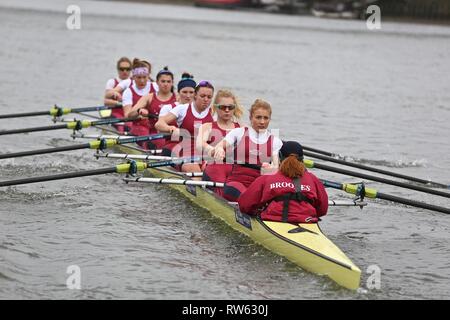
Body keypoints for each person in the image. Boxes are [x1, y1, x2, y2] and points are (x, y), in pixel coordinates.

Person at [238, 141, 328, 224]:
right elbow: (322, 210)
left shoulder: (266, 178)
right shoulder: (313, 179)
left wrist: (256, 212)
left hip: (272, 220)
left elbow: (244, 206)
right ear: (302, 160)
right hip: (307, 221)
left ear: (280, 157)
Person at [212, 99, 283, 201]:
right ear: (250, 117)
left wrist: (272, 169)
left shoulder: (275, 141)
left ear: (269, 119)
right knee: (249, 198)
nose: (262, 122)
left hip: (258, 187)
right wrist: (219, 149)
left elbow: (276, 166)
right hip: (236, 183)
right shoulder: (238, 133)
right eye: (258, 117)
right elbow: (219, 146)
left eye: (266, 118)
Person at [155, 80, 215, 173]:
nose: (206, 99)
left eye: (209, 97)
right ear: (195, 95)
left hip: (206, 153)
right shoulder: (182, 109)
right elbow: (159, 124)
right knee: (197, 174)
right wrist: (171, 128)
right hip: (186, 152)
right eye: (202, 96)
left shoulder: (214, 113)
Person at [196, 89, 243, 195]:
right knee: (224, 193)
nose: (227, 110)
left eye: (230, 107)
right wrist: (213, 150)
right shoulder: (207, 127)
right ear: (216, 108)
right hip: (214, 165)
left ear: (234, 108)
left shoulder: (242, 128)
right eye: (223, 107)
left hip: (235, 169)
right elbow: (200, 144)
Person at [127, 66, 177, 149]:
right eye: (163, 81)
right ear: (157, 82)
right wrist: (139, 110)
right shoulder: (149, 98)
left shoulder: (178, 98)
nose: (166, 84)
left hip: (174, 135)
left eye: (168, 81)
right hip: (155, 136)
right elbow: (130, 115)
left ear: (172, 83)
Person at [158, 73, 197, 155]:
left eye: (191, 92)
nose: (188, 96)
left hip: (193, 146)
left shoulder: (200, 110)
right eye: (184, 92)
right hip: (172, 144)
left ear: (195, 94)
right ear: (178, 92)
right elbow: (159, 127)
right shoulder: (168, 108)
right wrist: (170, 128)